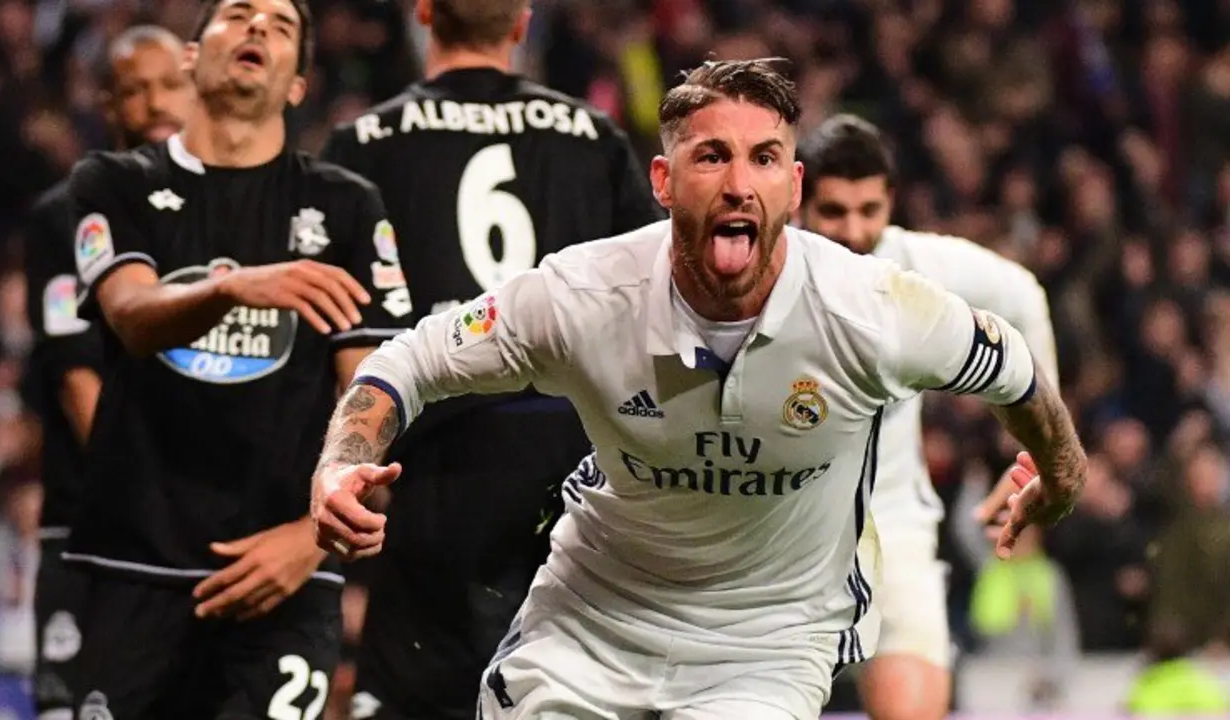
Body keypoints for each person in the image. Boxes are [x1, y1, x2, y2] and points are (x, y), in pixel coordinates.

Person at [311, 58, 1087, 719]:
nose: (739, 183)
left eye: (764, 159)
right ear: (663, 180)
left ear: (794, 184)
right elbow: (411, 361)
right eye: (712, 156)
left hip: (768, 638)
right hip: (594, 618)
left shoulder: (873, 309)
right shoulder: (586, 296)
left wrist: (1060, 472)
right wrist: (341, 461)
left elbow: (1014, 368)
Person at [64, 1, 411, 716]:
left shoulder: (346, 206)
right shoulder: (112, 183)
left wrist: (316, 537)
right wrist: (239, 286)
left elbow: (375, 392)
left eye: (281, 25)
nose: (258, 28)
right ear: (190, 59)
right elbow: (130, 317)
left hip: (285, 574)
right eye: (238, 14)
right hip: (133, 568)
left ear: (296, 86)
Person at [318, 0, 661, 716]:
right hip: (572, 470)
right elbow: (652, 313)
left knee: (421, 697)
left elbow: (344, 327)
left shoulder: (365, 141)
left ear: (423, 14)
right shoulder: (592, 137)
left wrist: (360, 465)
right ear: (522, 22)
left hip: (429, 465)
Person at [795, 114, 1060, 720]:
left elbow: (1023, 296)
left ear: (891, 200)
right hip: (776, 540)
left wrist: (1039, 455)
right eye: (834, 211)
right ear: (800, 204)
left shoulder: (916, 265)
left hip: (892, 535)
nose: (855, 230)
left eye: (870, 209)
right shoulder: (763, 274)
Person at [21, 25, 192, 719]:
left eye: (169, 83)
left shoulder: (227, 209)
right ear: (108, 105)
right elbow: (75, 382)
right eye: (134, 89)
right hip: (96, 532)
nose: (155, 102)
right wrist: (160, 504)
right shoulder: (64, 216)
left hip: (200, 532)